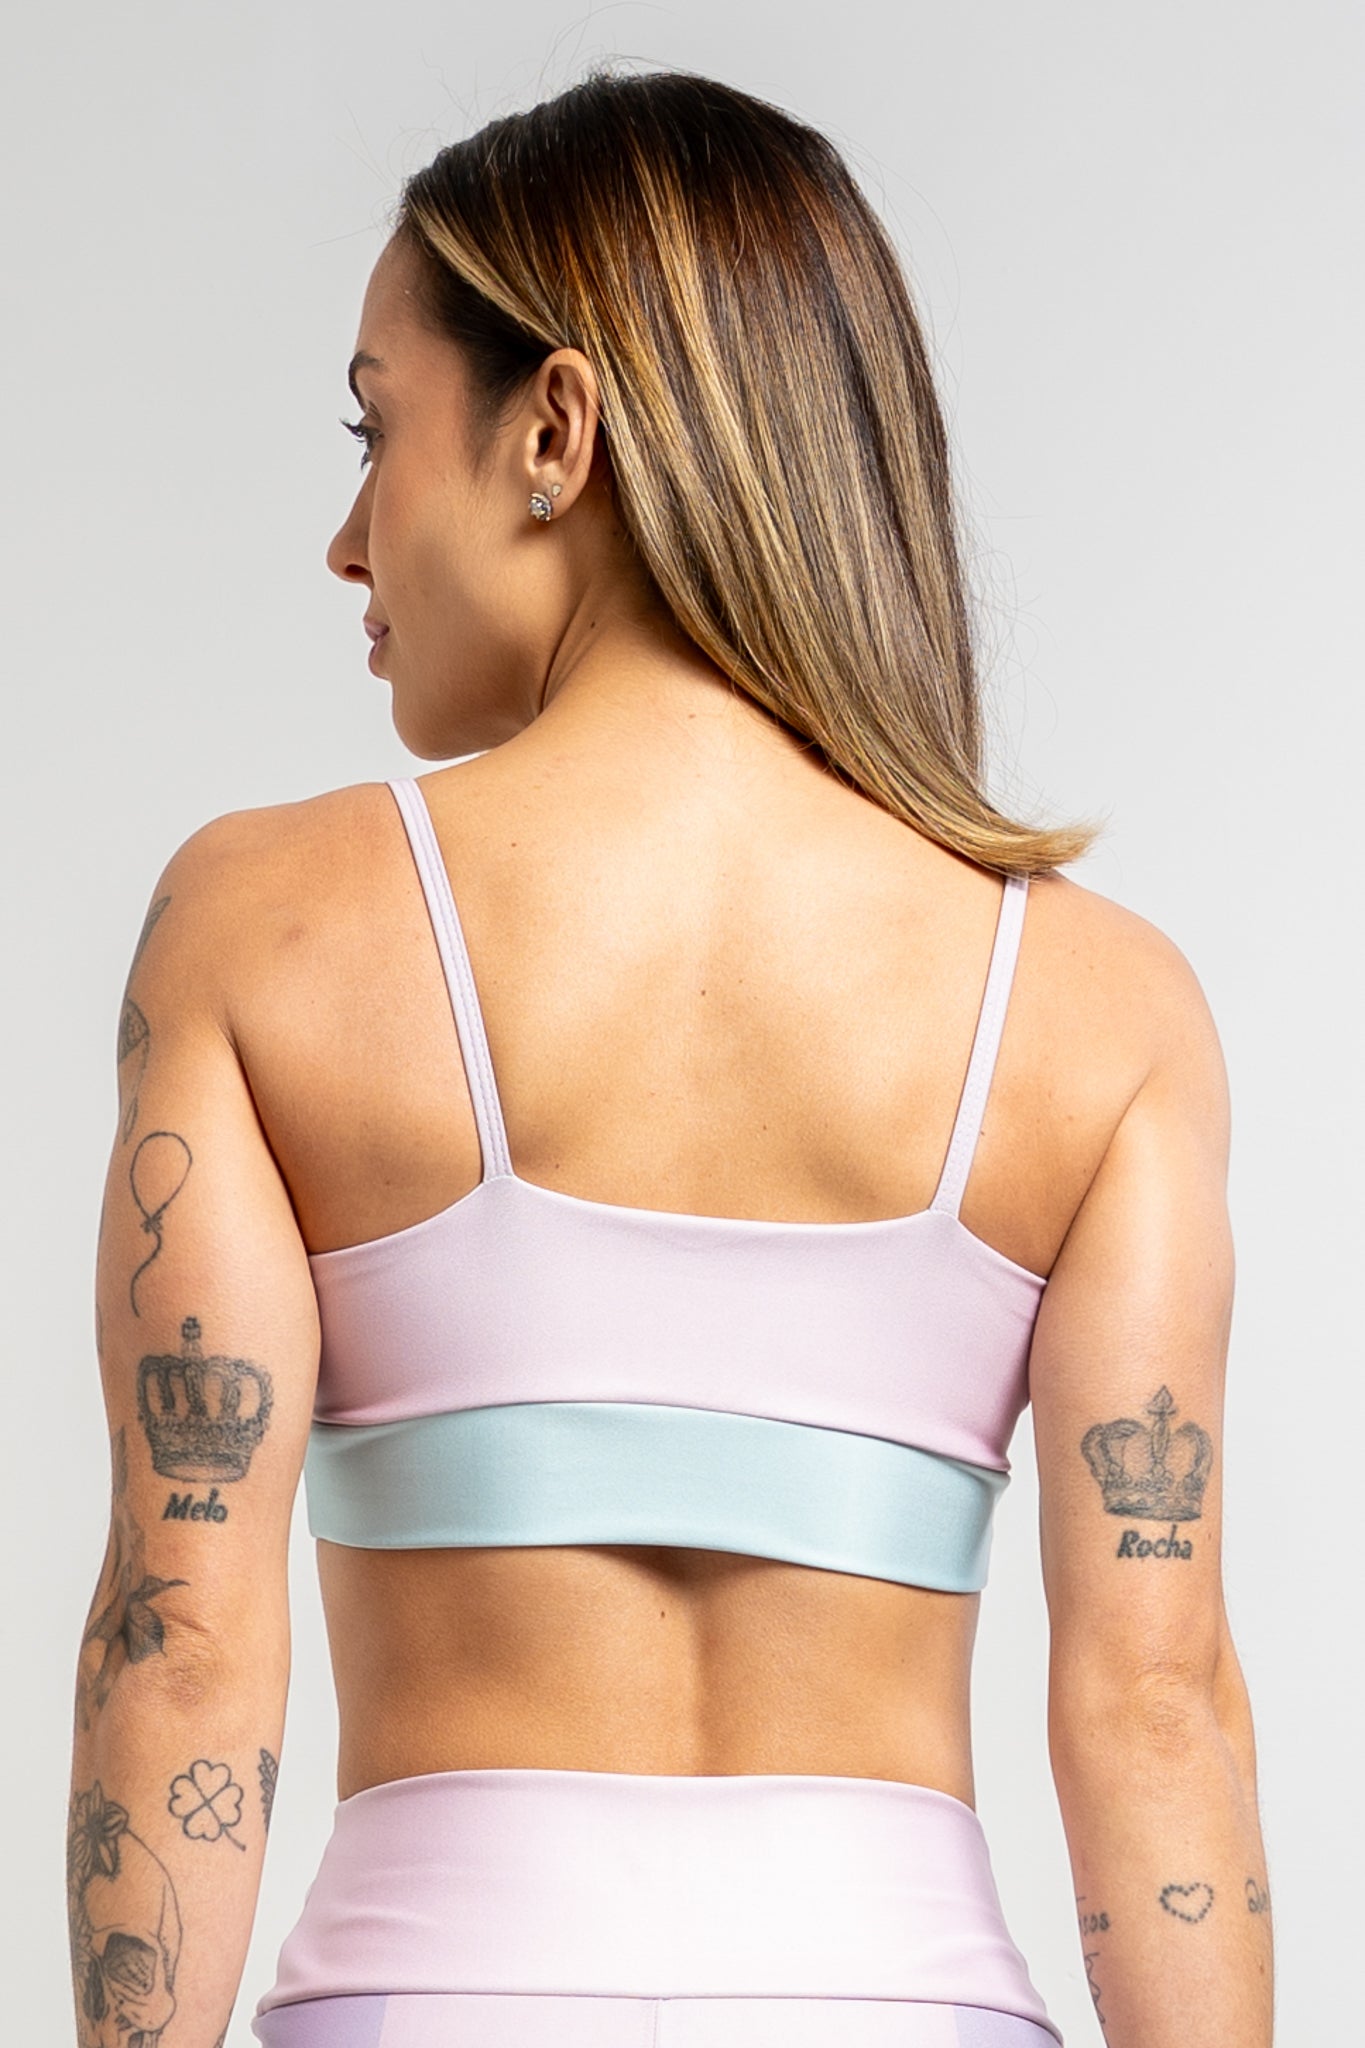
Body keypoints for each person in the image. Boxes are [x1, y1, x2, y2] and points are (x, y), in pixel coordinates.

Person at [66, 64, 1273, 2048]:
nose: (349, 540)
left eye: (377, 430)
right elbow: (1153, 1705)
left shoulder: (261, 924)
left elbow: (180, 1643)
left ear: (553, 428)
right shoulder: (1096, 1007)